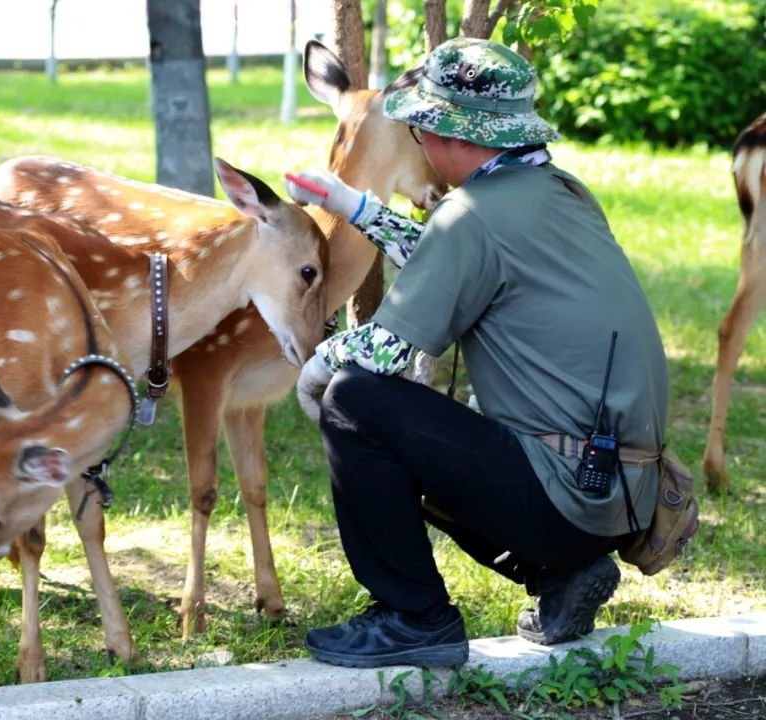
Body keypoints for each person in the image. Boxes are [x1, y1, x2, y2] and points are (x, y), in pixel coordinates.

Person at [283, 37, 668, 669]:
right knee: (409, 422)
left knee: (354, 400)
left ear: (456, 137)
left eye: (423, 129)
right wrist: (352, 206)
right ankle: (562, 575)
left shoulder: (475, 215)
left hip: (566, 496)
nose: (420, 144)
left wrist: (316, 368)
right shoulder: (555, 190)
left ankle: (414, 617)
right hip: (623, 493)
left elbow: (383, 348)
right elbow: (457, 258)